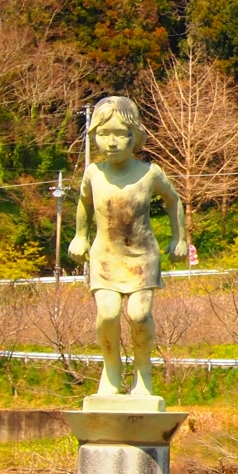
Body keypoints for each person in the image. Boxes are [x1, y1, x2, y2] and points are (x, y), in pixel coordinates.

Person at [66, 95, 186, 400]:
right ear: (94, 137)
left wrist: (179, 237)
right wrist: (80, 236)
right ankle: (111, 370)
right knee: (107, 315)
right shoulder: (93, 173)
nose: (113, 142)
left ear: (136, 136)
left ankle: (143, 371)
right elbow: (83, 204)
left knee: (139, 314)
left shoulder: (150, 173)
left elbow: (174, 200)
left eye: (121, 134)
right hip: (105, 256)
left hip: (142, 256)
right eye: (104, 134)